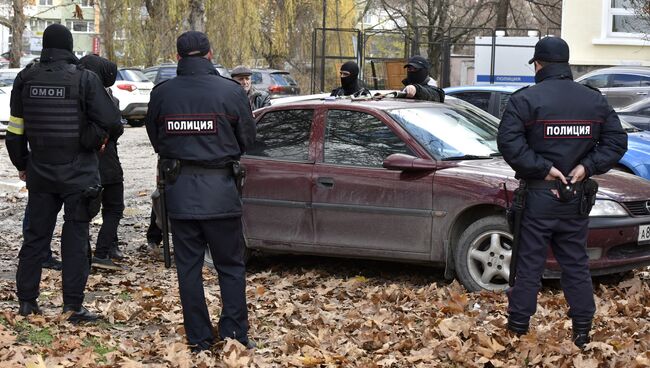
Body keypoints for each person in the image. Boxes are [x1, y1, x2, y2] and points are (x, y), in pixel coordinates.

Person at [497, 36, 627, 348]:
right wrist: (588, 166)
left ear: (538, 64)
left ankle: (517, 330)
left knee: (528, 265)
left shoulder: (525, 100)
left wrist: (542, 168)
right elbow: (616, 142)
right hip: (575, 198)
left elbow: (509, 144)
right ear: (566, 64)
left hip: (539, 197)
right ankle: (582, 331)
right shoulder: (593, 100)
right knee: (576, 266)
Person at [145, 31, 256, 352]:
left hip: (180, 195)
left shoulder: (163, 93)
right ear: (210, 54)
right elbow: (246, 139)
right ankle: (235, 334)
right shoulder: (231, 92)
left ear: (178, 57)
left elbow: (157, 140)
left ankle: (199, 339)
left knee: (189, 270)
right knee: (231, 267)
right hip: (222, 193)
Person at [6, 24, 121, 321]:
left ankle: (27, 303)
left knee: (35, 239)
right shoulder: (85, 79)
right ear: (70, 46)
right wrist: (92, 141)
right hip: (79, 174)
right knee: (75, 237)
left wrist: (22, 164)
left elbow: (15, 129)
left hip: (40, 172)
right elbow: (111, 120)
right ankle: (72, 306)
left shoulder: (25, 78)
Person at [79, 54, 125, 271]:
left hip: (83, 163)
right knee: (114, 207)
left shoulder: (75, 91)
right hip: (106, 162)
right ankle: (101, 252)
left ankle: (86, 253)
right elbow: (116, 126)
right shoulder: (102, 98)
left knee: (84, 211)